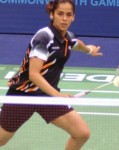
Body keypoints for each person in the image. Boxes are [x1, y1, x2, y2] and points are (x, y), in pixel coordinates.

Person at [0, 0, 102, 149]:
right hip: (24, 95)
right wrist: (58, 96)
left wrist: (89, 50)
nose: (64, 18)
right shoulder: (44, 37)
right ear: (52, 14)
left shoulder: (67, 36)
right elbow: (33, 75)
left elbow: (75, 42)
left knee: (82, 133)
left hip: (47, 95)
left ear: (74, 17)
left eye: (69, 15)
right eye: (60, 14)